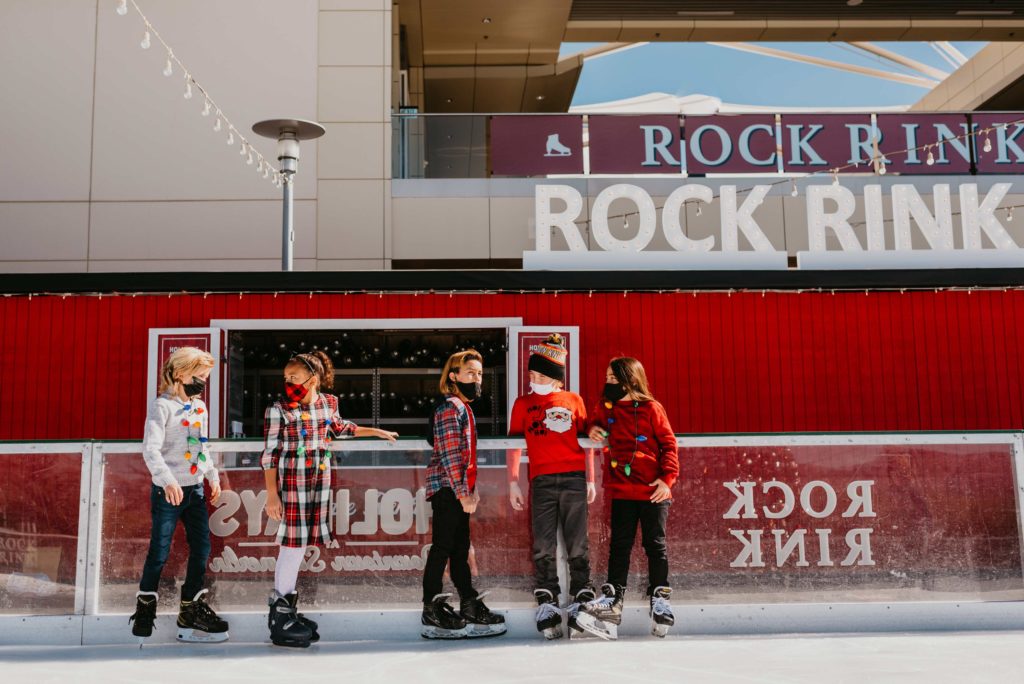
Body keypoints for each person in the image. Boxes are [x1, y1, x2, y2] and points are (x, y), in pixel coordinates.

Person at [262, 351, 397, 648]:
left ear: (313, 379)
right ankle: (280, 613)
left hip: (318, 483)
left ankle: (287, 609)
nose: (288, 382)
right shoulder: (278, 409)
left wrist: (376, 431)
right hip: (292, 484)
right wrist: (272, 494)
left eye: (294, 377)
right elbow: (270, 454)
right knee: (292, 545)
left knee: (300, 544)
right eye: (286, 378)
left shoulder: (328, 403)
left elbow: (341, 427)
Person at [130, 346, 229, 644]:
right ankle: (145, 607)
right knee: (159, 550)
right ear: (181, 373)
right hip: (168, 492)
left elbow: (202, 446)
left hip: (195, 489)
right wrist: (167, 480)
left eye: (206, 377)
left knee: (202, 548)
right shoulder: (162, 406)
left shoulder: (199, 408)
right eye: (200, 376)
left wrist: (212, 476)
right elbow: (150, 449)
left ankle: (190, 608)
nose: (203, 382)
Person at [576, 357, 679, 639]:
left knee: (655, 545)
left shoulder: (651, 408)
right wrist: (592, 430)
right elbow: (594, 425)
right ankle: (613, 600)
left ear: (630, 380)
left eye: (613, 378)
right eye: (607, 378)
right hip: (621, 489)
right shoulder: (605, 407)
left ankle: (660, 598)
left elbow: (669, 444)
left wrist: (667, 479)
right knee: (619, 545)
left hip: (653, 491)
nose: (608, 383)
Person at [507, 334, 596, 639]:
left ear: (557, 379)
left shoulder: (573, 400)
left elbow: (587, 442)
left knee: (577, 541)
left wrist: (590, 479)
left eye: (542, 376)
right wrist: (513, 481)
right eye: (532, 375)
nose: (535, 381)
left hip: (573, 478)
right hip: (541, 480)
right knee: (543, 543)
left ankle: (582, 594)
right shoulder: (523, 403)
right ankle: (547, 599)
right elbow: (513, 444)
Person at [420, 349, 506, 639]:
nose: (476, 379)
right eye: (470, 373)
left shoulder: (463, 408)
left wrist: (471, 489)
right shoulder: (449, 408)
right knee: (443, 547)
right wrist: (462, 493)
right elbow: (449, 456)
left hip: (457, 489)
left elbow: (465, 457)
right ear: (454, 376)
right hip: (447, 490)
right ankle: (431, 608)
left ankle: (468, 603)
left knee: (460, 549)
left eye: (479, 374)